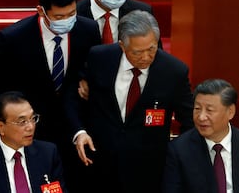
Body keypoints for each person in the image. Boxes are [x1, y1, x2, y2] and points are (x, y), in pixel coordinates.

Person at [0, 0, 101, 191]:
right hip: (30, 133)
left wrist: (89, 81)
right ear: (41, 11)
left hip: (75, 132)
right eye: (58, 17)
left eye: (71, 14)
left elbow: (92, 69)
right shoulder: (13, 39)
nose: (67, 21)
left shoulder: (87, 30)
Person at [65, 10, 194, 193]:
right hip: (99, 165)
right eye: (137, 52)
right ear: (122, 46)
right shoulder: (99, 58)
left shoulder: (173, 71)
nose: (146, 57)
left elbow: (189, 119)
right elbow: (73, 96)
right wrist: (79, 131)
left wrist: (176, 156)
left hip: (149, 173)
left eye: (152, 49)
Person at [162, 79, 239, 193]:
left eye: (209, 110)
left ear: (230, 112)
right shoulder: (179, 150)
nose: (201, 117)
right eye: (197, 109)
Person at [0, 91, 68, 193]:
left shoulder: (48, 153)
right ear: (0, 127)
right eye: (22, 122)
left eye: (33, 118)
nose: (31, 127)